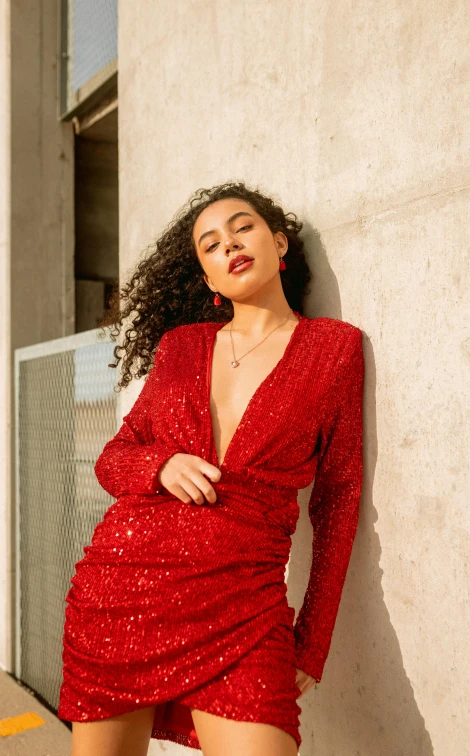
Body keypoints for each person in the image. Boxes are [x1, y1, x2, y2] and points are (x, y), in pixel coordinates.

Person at [57, 181, 365, 756]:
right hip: (123, 594)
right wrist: (161, 464)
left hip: (245, 611)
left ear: (279, 244)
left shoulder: (334, 349)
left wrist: (312, 640)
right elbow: (113, 457)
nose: (229, 244)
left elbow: (340, 497)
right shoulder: (181, 347)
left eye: (242, 228)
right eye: (210, 244)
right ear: (208, 279)